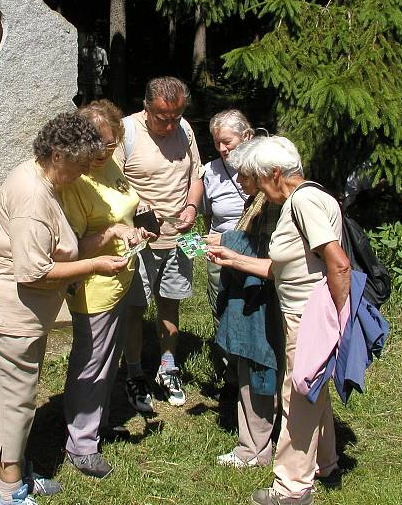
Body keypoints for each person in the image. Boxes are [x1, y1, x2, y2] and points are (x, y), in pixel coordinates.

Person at [0, 112, 128, 505]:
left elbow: (60, 249)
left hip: (20, 315)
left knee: (20, 398)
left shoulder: (45, 180)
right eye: (81, 163)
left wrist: (110, 234)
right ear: (57, 154)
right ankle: (9, 493)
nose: (87, 169)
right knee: (11, 403)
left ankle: (19, 474)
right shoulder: (34, 196)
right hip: (3, 313)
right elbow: (34, 272)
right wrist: (96, 266)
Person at [207, 136, 351, 505]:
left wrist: (337, 320)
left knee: (296, 397)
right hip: (305, 313)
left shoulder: (302, 201)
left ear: (275, 173)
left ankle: (291, 488)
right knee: (312, 391)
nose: (253, 186)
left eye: (256, 178)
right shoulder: (304, 199)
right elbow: (284, 268)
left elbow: (338, 262)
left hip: (309, 317)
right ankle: (326, 462)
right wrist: (234, 258)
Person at [57, 100, 153, 479]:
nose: (102, 153)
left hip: (122, 275)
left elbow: (123, 205)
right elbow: (72, 250)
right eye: (95, 146)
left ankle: (97, 423)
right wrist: (114, 232)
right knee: (90, 364)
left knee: (106, 361)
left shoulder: (108, 162)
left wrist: (136, 227)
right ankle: (80, 444)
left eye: (110, 144)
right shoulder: (77, 179)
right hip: (94, 286)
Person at [114, 76, 203, 409]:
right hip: (139, 241)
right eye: (162, 117)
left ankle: (168, 366)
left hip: (178, 237)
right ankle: (135, 373)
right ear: (146, 106)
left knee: (170, 301)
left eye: (176, 117)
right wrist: (139, 208)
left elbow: (196, 175)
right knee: (135, 308)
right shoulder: (126, 132)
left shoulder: (186, 130)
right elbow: (112, 182)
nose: (169, 124)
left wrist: (192, 207)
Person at [211, 138, 282, 469]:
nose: (239, 182)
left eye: (244, 176)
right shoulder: (259, 199)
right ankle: (258, 442)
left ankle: (253, 448)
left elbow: (268, 253)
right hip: (251, 297)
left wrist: (227, 243)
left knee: (259, 369)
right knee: (250, 368)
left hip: (263, 302)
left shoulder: (276, 205)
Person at [202, 109, 254, 383]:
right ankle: (228, 371)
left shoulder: (261, 167)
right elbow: (209, 215)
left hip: (254, 253)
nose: (222, 148)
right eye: (217, 142)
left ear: (246, 136)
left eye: (228, 142)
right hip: (218, 254)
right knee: (220, 307)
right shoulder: (210, 172)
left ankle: (250, 367)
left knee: (250, 309)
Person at [78, 34, 109, 103]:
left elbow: (105, 65)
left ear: (95, 40)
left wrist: (104, 78)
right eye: (89, 39)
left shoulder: (102, 51)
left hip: (97, 78)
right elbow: (80, 65)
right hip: (85, 77)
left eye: (92, 39)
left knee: (97, 97)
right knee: (84, 97)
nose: (90, 41)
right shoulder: (83, 51)